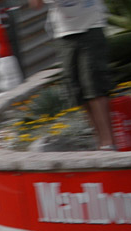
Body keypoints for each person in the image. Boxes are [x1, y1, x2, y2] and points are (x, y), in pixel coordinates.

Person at [28, 0, 115, 150]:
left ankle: (109, 143)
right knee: (78, 90)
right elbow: (36, 4)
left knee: (93, 84)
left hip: (91, 26)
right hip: (64, 32)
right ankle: (99, 142)